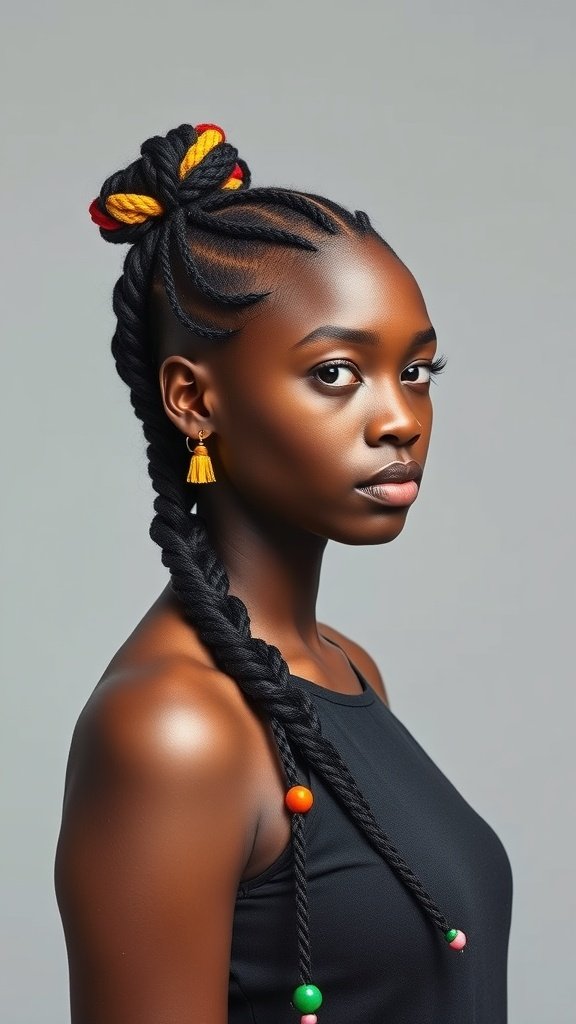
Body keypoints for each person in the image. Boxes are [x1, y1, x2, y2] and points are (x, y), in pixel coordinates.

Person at [53, 122, 513, 1024]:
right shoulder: (173, 729)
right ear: (193, 399)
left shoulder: (345, 668)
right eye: (337, 372)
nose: (400, 419)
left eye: (417, 369)